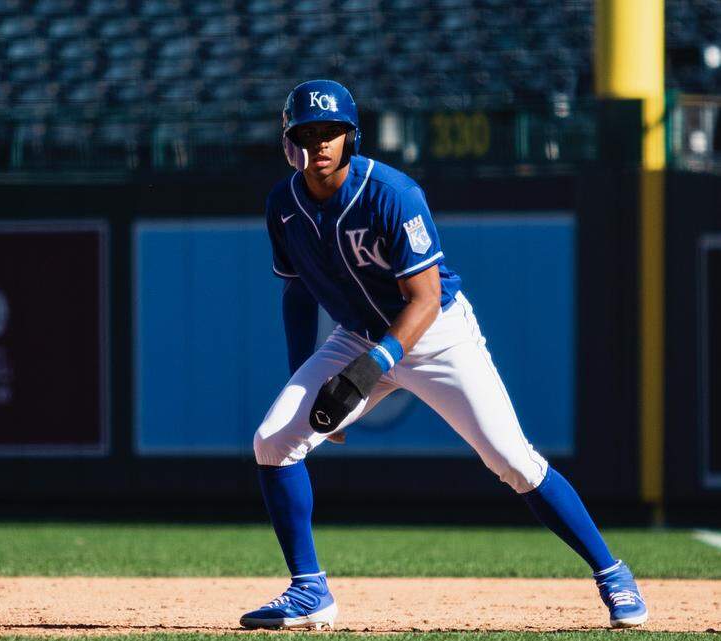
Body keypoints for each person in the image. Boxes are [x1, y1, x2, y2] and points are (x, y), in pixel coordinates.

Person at [239, 80, 648, 630]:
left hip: (436, 335)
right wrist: (312, 387)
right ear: (288, 143)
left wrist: (367, 372)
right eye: (306, 133)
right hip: (357, 334)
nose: (319, 143)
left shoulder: (392, 192)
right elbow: (296, 292)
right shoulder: (282, 205)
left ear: (350, 136)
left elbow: (425, 298)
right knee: (273, 441)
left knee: (513, 462)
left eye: (330, 131)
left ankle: (612, 572)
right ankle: (309, 589)